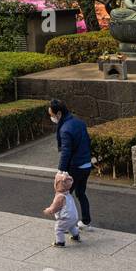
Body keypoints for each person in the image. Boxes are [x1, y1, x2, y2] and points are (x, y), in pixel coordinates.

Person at [50, 99, 92, 229]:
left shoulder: (65, 129)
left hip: (75, 167)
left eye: (51, 115)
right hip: (86, 165)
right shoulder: (79, 122)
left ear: (59, 114)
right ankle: (86, 222)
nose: (51, 117)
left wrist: (61, 171)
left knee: (62, 195)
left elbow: (66, 152)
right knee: (80, 193)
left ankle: (64, 224)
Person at [43, 171, 80, 246]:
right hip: (74, 216)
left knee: (59, 228)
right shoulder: (68, 194)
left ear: (57, 185)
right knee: (71, 226)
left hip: (66, 217)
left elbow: (55, 207)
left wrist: (48, 211)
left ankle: (60, 242)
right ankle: (76, 236)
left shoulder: (60, 197)